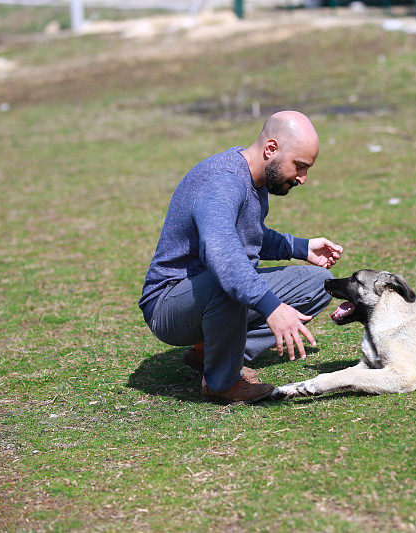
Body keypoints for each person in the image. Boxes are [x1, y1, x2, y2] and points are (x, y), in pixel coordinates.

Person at [139, 111, 343, 403]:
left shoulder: (254, 179)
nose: (302, 178)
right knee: (231, 278)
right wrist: (273, 308)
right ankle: (222, 382)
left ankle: (212, 353)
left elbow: (250, 235)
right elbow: (223, 256)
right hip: (169, 304)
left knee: (320, 283)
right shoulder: (224, 181)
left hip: (210, 290)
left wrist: (300, 247)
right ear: (271, 149)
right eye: (299, 166)